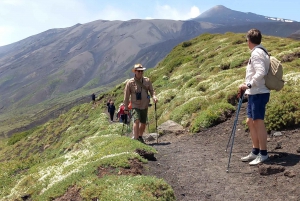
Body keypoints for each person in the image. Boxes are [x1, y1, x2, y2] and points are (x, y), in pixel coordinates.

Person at [238, 29, 270, 165]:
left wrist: (249, 84)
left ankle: (263, 154)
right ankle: (255, 151)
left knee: (258, 122)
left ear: (249, 41)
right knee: (250, 122)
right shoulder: (260, 51)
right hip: (255, 92)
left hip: (258, 92)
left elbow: (261, 72)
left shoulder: (257, 53)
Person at [124, 64, 158, 143]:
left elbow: (152, 90)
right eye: (138, 71)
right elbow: (126, 96)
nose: (140, 72)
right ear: (135, 71)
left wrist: (154, 97)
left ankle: (140, 136)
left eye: (141, 71)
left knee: (143, 123)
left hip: (144, 105)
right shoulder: (130, 82)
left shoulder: (147, 80)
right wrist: (126, 107)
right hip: (135, 105)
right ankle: (136, 139)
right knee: (136, 120)